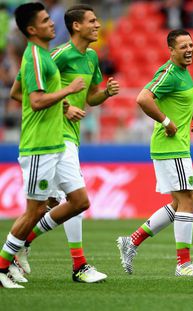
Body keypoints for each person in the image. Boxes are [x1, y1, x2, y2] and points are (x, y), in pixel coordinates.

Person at [12, 4, 120, 284]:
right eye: (92, 21)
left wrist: (105, 94)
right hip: (54, 136)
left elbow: (90, 97)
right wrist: (63, 108)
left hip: (70, 136)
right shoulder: (57, 55)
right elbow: (19, 92)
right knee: (75, 200)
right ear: (76, 26)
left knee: (66, 203)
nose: (98, 25)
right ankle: (79, 265)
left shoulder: (92, 57)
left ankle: (21, 243)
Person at [0, 2, 86, 288]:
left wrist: (61, 106)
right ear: (32, 29)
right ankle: (2, 266)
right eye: (46, 20)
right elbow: (34, 101)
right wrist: (69, 91)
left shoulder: (44, 56)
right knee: (34, 210)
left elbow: (17, 91)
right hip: (39, 146)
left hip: (55, 144)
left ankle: (15, 254)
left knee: (79, 201)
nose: (53, 23)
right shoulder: (35, 57)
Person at [116, 29, 193, 277]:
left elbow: (181, 101)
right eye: (183, 47)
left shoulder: (183, 73)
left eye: (191, 45)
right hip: (171, 146)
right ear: (171, 50)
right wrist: (166, 121)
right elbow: (143, 98)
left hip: (177, 146)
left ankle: (132, 241)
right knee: (188, 199)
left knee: (179, 202)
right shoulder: (169, 72)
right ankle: (184, 264)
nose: (189, 50)